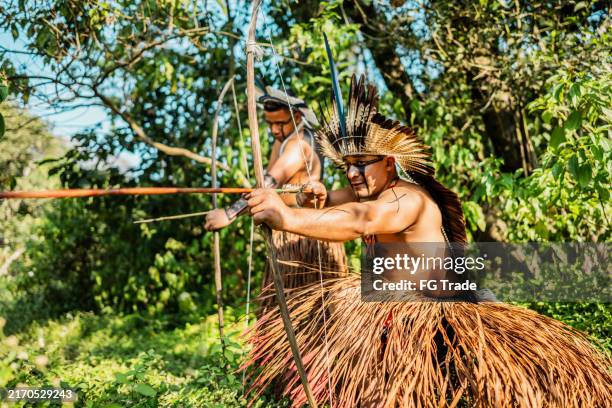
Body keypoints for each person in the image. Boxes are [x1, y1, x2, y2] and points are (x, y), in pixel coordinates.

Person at [242, 74, 611, 407]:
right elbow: (334, 201)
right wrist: (313, 196)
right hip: (400, 312)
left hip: (444, 312)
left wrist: (287, 217)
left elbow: (361, 220)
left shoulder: (403, 199)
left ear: (389, 162)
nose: (353, 173)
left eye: (362, 163)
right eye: (347, 166)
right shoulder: (368, 189)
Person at [204, 86, 346, 310]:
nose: (274, 130)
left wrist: (229, 214)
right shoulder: (284, 140)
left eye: (280, 123)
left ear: (297, 116)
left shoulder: (299, 143)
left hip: (304, 235)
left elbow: (269, 182)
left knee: (308, 312)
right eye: (270, 124)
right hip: (287, 235)